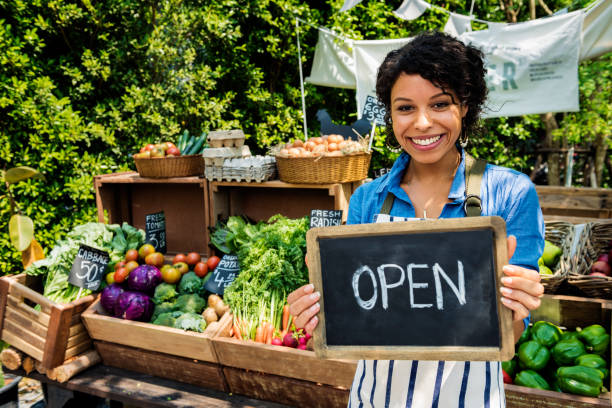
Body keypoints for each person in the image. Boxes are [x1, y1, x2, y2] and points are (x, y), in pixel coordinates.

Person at [287, 31, 545, 407]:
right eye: (405, 108)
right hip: (376, 398)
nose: (422, 123)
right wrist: (316, 313)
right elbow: (351, 318)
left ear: (465, 106)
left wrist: (519, 304)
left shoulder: (510, 193)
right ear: (390, 115)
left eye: (440, 104)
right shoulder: (366, 200)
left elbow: (514, 329)